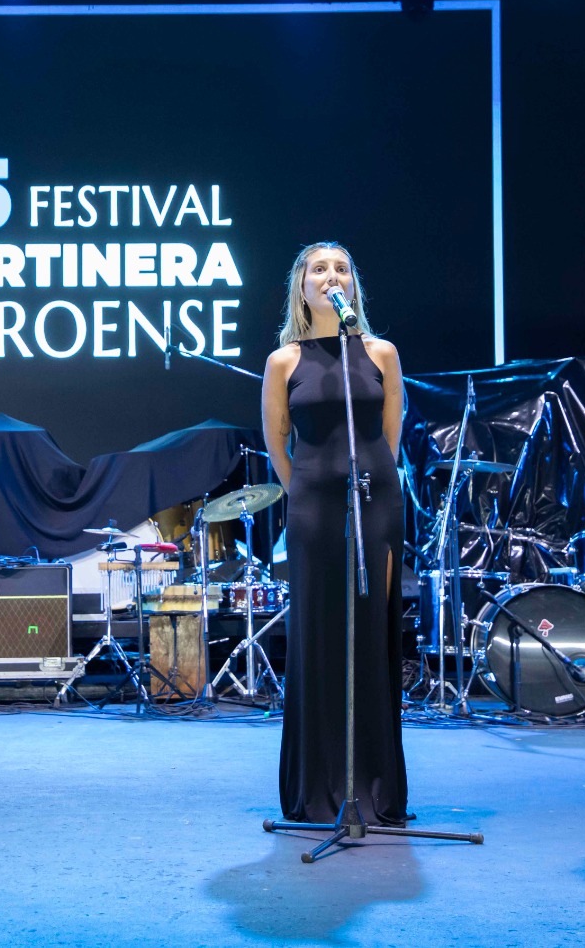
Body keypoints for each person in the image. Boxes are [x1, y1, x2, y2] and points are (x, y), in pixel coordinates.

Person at [261, 242, 407, 826]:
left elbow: (390, 433)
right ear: (302, 288)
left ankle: (374, 787)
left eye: (341, 268)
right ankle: (319, 787)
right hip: (313, 506)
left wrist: (368, 480)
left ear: (353, 285)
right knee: (320, 635)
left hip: (375, 501)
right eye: (318, 269)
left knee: (370, 632)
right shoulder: (283, 361)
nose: (331, 276)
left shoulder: (380, 352)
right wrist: (305, 488)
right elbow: (276, 440)